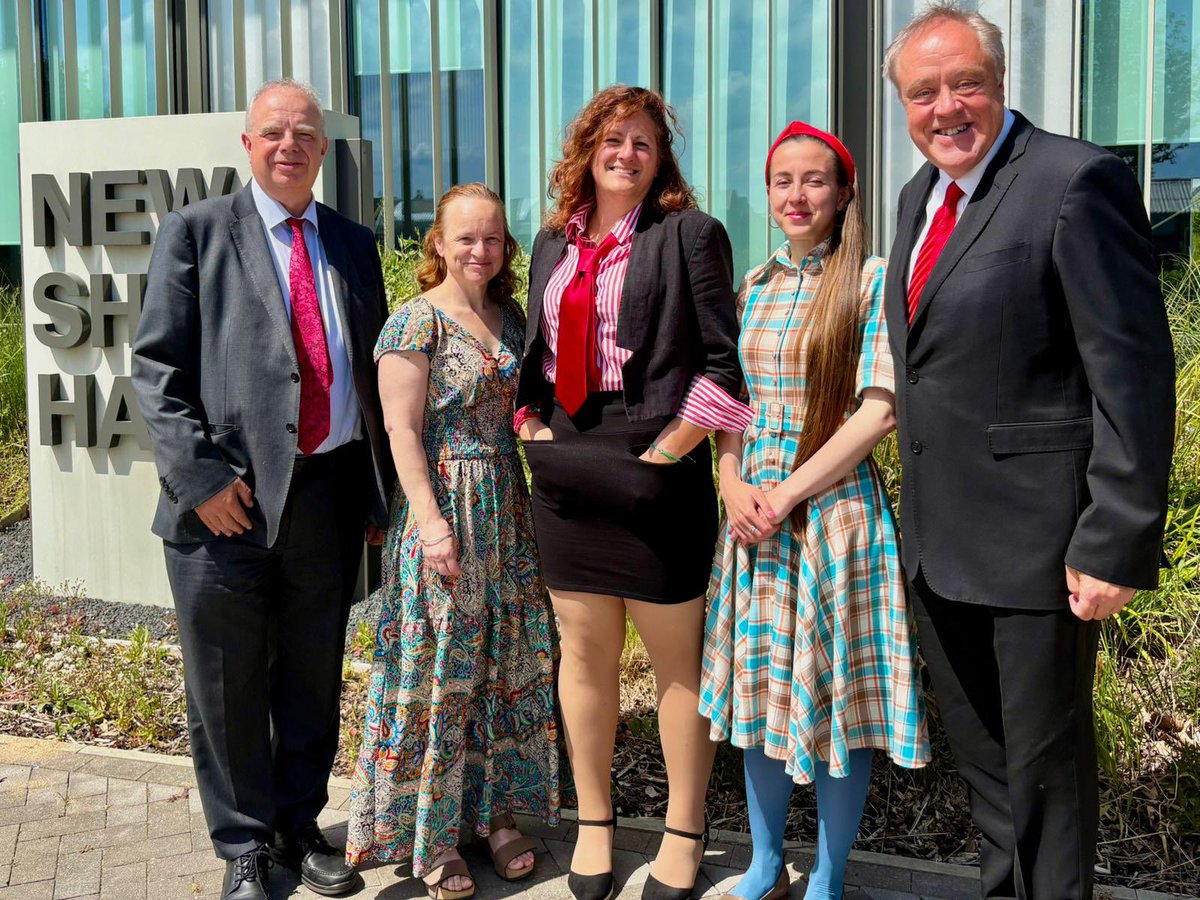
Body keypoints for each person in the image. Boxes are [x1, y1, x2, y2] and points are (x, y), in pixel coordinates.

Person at [883, 5, 1175, 898]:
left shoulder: (1071, 179)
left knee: (1046, 783)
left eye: (964, 82)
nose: (946, 107)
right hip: (941, 547)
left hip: (1041, 552)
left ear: (1000, 81)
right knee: (988, 776)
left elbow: (1129, 371)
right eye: (923, 92)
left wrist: (1114, 537)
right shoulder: (917, 198)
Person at [132, 79, 395, 900]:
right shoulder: (197, 232)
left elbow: (379, 376)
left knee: (311, 677)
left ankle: (297, 825)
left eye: (305, 134)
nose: (290, 145)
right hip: (225, 509)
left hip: (327, 496)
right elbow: (156, 370)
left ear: (324, 150)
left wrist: (379, 495)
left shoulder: (353, 244)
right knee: (227, 681)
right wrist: (203, 479)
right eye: (273, 132)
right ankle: (242, 846)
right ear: (247, 145)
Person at [515, 84, 747, 900]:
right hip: (568, 472)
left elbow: (724, 367)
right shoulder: (551, 243)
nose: (627, 154)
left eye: (643, 143)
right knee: (584, 660)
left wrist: (667, 452)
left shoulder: (689, 235)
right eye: (613, 140)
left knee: (678, 667)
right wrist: (529, 423)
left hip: (655, 473)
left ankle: (685, 832)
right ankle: (594, 825)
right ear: (587, 149)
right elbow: (536, 354)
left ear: (661, 159)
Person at [701, 122, 930, 900]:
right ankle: (765, 864)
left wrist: (786, 492)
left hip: (831, 518)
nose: (796, 196)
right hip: (752, 519)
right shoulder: (752, 287)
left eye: (815, 181)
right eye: (782, 181)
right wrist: (732, 484)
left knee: (842, 707)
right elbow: (729, 405)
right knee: (760, 696)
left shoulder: (870, 281)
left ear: (843, 193)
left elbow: (878, 413)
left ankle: (828, 878)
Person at [344, 183, 560, 900]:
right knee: (440, 676)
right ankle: (432, 839)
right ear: (438, 242)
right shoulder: (414, 322)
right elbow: (401, 430)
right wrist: (431, 523)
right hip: (444, 514)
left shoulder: (514, 318)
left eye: (493, 237)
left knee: (499, 669)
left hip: (507, 511)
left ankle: (495, 819)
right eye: (466, 237)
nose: (480, 249)